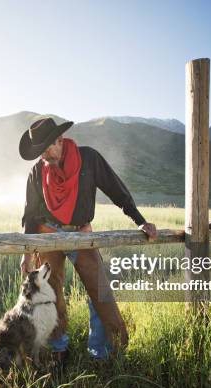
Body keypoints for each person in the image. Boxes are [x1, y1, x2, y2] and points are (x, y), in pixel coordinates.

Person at [19, 117, 157, 365]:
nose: (43, 156)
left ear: (59, 140)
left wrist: (139, 220)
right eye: (38, 152)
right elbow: (30, 214)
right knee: (52, 294)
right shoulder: (38, 171)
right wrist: (27, 253)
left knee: (99, 292)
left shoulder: (89, 159)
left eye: (46, 148)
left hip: (81, 232)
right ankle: (60, 350)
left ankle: (101, 354)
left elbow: (117, 190)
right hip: (47, 233)